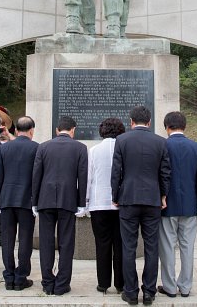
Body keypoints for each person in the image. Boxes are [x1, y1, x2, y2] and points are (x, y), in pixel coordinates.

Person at [110, 106, 170, 306]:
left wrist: (115, 195)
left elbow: (116, 171)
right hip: (152, 200)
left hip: (128, 199)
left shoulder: (122, 140)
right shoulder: (160, 142)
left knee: (129, 247)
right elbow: (165, 173)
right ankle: (149, 292)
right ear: (150, 122)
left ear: (132, 122)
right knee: (152, 247)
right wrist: (163, 195)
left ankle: (131, 292)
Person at [32, 115, 88, 295]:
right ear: (73, 130)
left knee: (46, 242)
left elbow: (36, 176)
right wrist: (81, 203)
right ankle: (62, 284)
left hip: (45, 200)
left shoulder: (43, 146)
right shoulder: (80, 147)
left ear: (57, 130)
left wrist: (35, 201)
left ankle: (48, 283)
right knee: (66, 242)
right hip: (68, 200)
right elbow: (83, 178)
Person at [157, 112, 197, 299]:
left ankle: (169, 286)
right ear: (184, 125)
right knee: (187, 246)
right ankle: (185, 286)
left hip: (167, 204)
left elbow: (160, 174)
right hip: (190, 204)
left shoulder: (162, 145)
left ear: (167, 126)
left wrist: (162, 195)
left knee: (167, 246)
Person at [0, 116, 39, 291]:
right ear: (31, 130)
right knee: (25, 240)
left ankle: (9, 276)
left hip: (6, 199)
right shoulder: (36, 148)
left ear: (16, 129)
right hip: (26, 200)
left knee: (7, 240)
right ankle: (21, 277)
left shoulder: (4, 148)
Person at [87, 117, 126, 294]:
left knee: (102, 244)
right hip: (121, 203)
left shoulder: (94, 151)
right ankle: (120, 284)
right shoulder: (124, 149)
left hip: (99, 203)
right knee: (120, 244)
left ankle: (103, 283)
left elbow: (89, 178)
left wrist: (86, 202)